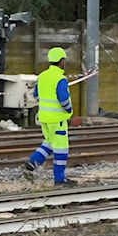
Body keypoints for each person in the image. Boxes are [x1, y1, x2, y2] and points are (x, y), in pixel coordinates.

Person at [24, 47, 77, 186]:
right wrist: (69, 110)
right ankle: (59, 179)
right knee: (61, 148)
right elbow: (64, 99)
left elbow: (36, 94)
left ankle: (32, 162)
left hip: (44, 117)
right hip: (57, 119)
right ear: (61, 61)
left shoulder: (42, 76)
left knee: (49, 142)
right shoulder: (60, 78)